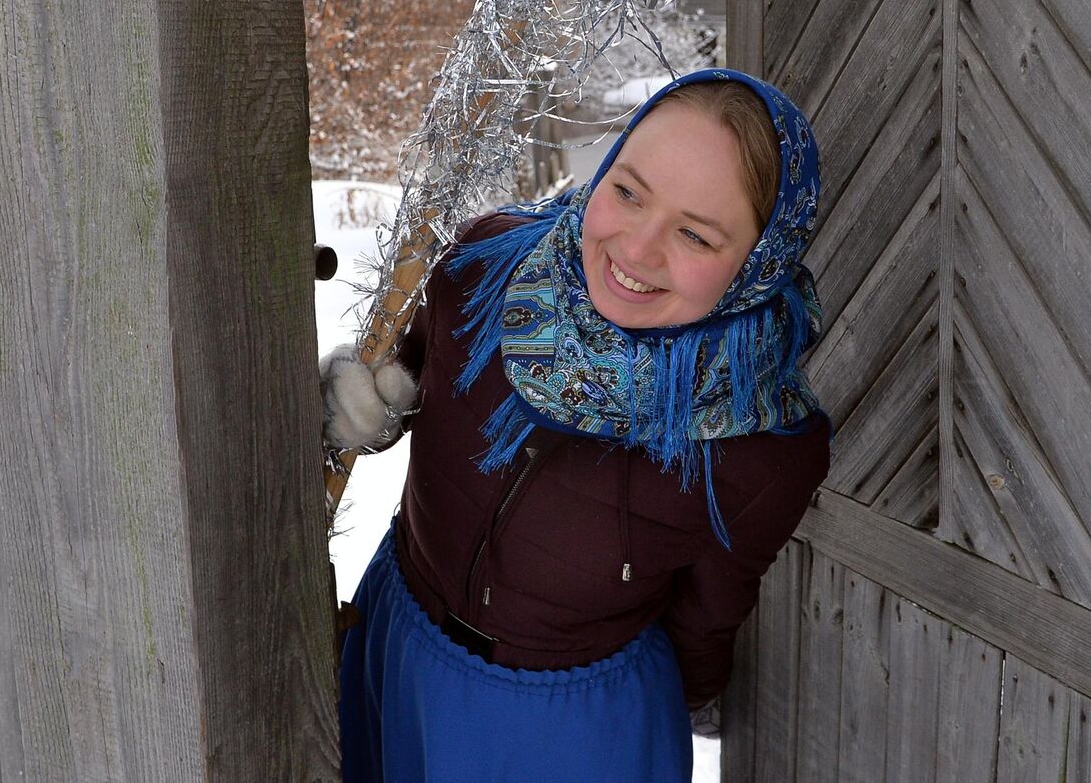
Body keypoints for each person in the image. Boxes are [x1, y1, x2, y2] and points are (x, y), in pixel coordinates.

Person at [321, 68, 830, 782]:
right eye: (627, 191)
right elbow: (414, 371)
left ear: (759, 265)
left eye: (696, 235)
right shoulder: (486, 264)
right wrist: (371, 403)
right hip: (397, 649)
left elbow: (704, 622)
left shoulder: (759, 447)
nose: (637, 250)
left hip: (567, 731)